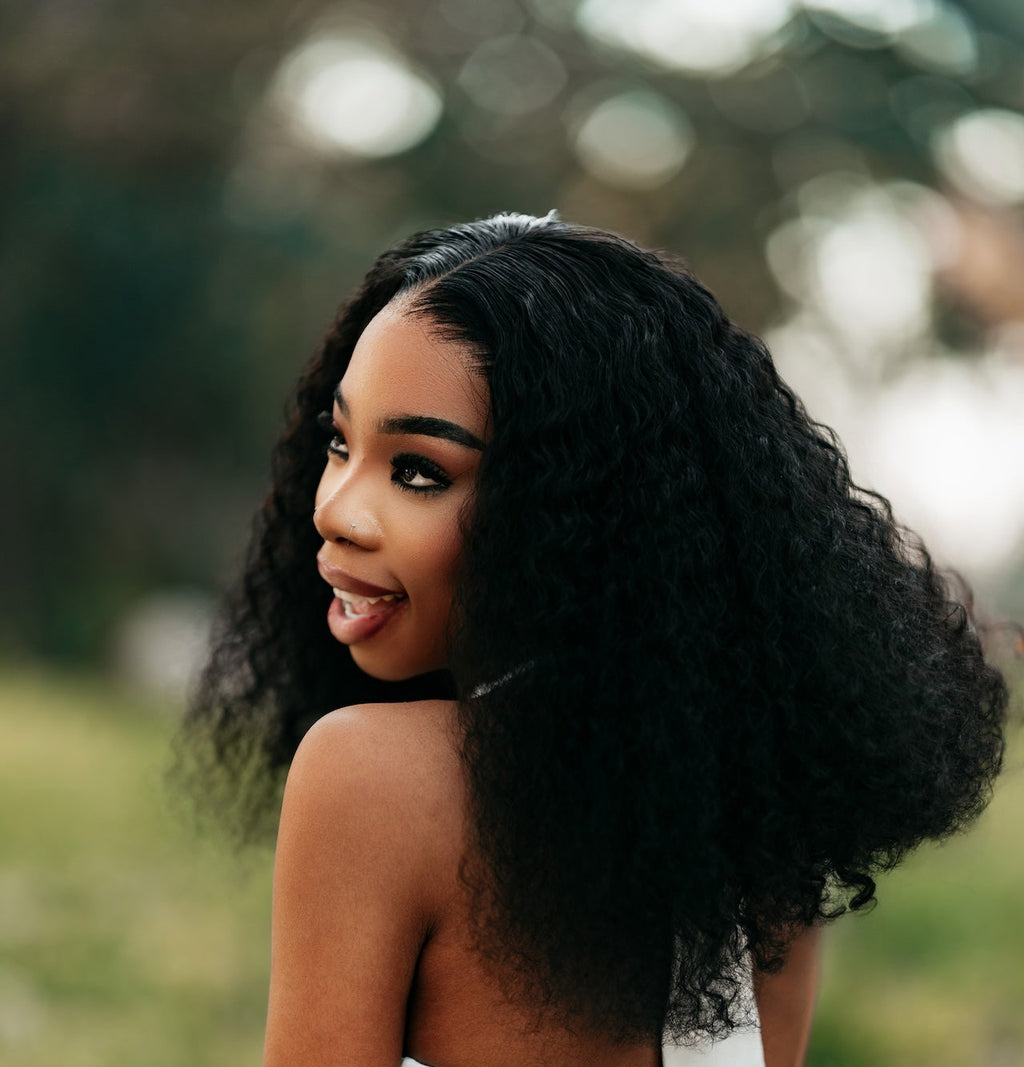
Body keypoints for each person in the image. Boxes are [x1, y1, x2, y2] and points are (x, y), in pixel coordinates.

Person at [183, 212, 1008, 1067]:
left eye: (419, 470)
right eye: (339, 441)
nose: (335, 509)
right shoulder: (758, 822)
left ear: (573, 514)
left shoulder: (371, 776)